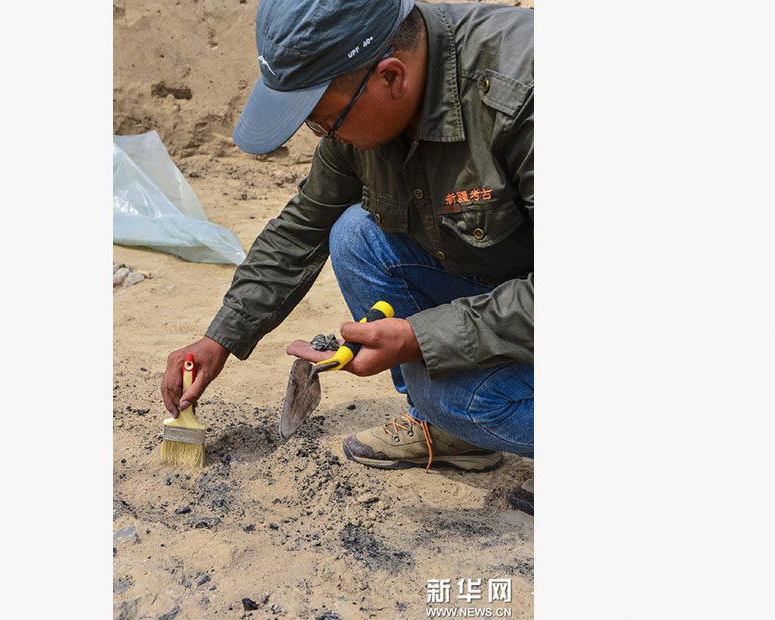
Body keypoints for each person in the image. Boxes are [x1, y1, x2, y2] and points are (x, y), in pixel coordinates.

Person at [160, 0, 534, 515]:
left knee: (455, 399)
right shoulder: (362, 103)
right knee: (357, 233)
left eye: (323, 123)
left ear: (392, 78)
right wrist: (220, 337)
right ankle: (453, 433)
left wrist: (420, 338)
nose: (324, 137)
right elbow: (302, 228)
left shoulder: (526, 94)